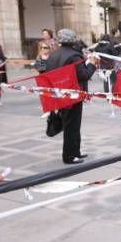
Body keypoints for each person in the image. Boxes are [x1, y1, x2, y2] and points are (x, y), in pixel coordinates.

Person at [46, 29, 98, 164]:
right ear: (73, 40)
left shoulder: (54, 55)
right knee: (72, 126)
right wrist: (92, 64)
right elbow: (84, 75)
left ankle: (76, 152)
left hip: (59, 93)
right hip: (73, 95)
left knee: (71, 124)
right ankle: (69, 156)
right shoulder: (74, 56)